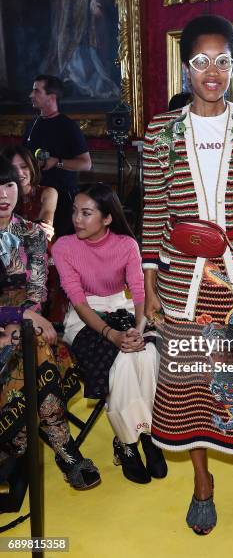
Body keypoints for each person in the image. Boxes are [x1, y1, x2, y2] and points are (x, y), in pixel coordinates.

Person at [142, 15, 233, 534]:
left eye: (223, 62)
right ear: (186, 68)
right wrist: (151, 291)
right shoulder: (162, 130)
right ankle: (202, 485)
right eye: (201, 62)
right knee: (190, 392)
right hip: (182, 286)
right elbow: (155, 214)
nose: (213, 72)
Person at [52, 183, 167, 484]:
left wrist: (138, 331)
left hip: (125, 309)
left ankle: (139, 436)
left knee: (147, 352)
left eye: (86, 213)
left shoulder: (126, 245)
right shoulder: (64, 247)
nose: (77, 218)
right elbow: (77, 301)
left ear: (107, 218)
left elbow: (140, 293)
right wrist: (112, 335)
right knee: (122, 359)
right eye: (75, 211)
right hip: (85, 318)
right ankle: (132, 440)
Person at [0, 155, 100, 489]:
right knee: (33, 344)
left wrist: (25, 316)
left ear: (19, 188)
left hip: (26, 322)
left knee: (33, 343)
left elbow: (39, 289)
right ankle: (65, 450)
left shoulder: (30, 233)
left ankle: (21, 444)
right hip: (11, 321)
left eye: (9, 185)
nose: (4, 194)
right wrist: (19, 316)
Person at [24, 0, 119, 99]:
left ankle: (79, 81)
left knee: (76, 52)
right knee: (61, 47)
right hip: (63, 15)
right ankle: (67, 78)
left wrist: (94, 3)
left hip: (78, 15)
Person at [23, 74, 92, 237]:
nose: (31, 95)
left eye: (36, 91)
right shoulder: (32, 124)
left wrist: (57, 162)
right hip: (35, 197)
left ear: (51, 97)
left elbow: (86, 164)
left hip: (63, 201)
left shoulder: (68, 126)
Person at [1, 145, 57, 241]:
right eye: (13, 168)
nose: (19, 173)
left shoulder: (48, 192)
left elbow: (45, 223)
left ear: (32, 167)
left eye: (24, 167)